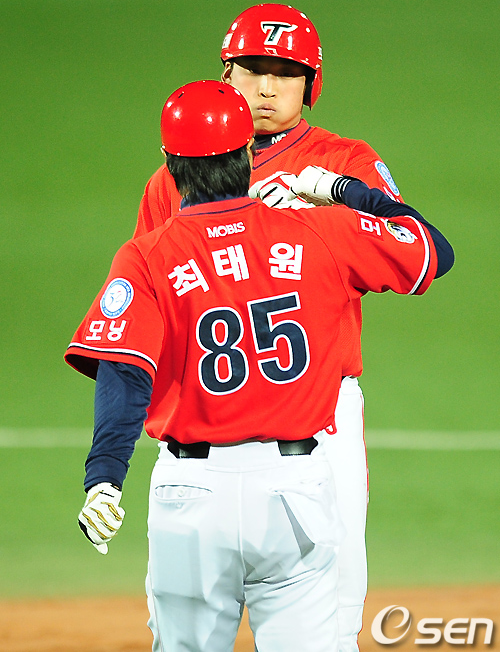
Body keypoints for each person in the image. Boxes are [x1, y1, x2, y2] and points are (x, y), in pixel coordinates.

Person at [66, 80, 453, 652]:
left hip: (188, 493)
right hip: (294, 487)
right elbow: (431, 250)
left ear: (170, 166)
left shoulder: (148, 255)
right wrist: (342, 190)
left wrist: (104, 476)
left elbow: (124, 370)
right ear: (249, 153)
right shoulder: (318, 232)